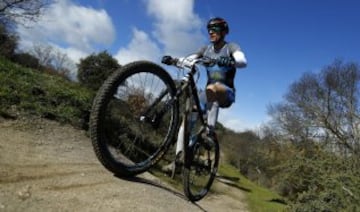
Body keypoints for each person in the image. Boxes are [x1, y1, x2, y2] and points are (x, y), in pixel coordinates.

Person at [161, 17, 247, 174]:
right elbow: (191, 59)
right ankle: (178, 161)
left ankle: (209, 132)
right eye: (209, 30)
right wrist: (175, 60)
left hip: (226, 93)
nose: (211, 32)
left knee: (213, 88)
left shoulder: (230, 47)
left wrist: (231, 61)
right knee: (187, 120)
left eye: (215, 29)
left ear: (224, 31)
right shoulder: (205, 49)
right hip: (207, 94)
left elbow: (242, 61)